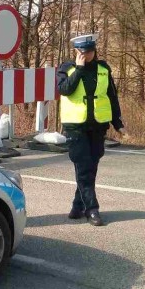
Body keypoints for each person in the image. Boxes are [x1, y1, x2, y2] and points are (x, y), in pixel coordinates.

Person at [57, 34, 126, 226]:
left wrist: (117, 122)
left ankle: (77, 206)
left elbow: (111, 96)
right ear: (76, 52)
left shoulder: (103, 69)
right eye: (82, 52)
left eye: (89, 51)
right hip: (75, 126)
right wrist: (79, 69)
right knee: (84, 167)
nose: (86, 55)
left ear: (94, 51)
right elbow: (65, 90)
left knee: (90, 167)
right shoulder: (66, 68)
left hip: (97, 125)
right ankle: (92, 209)